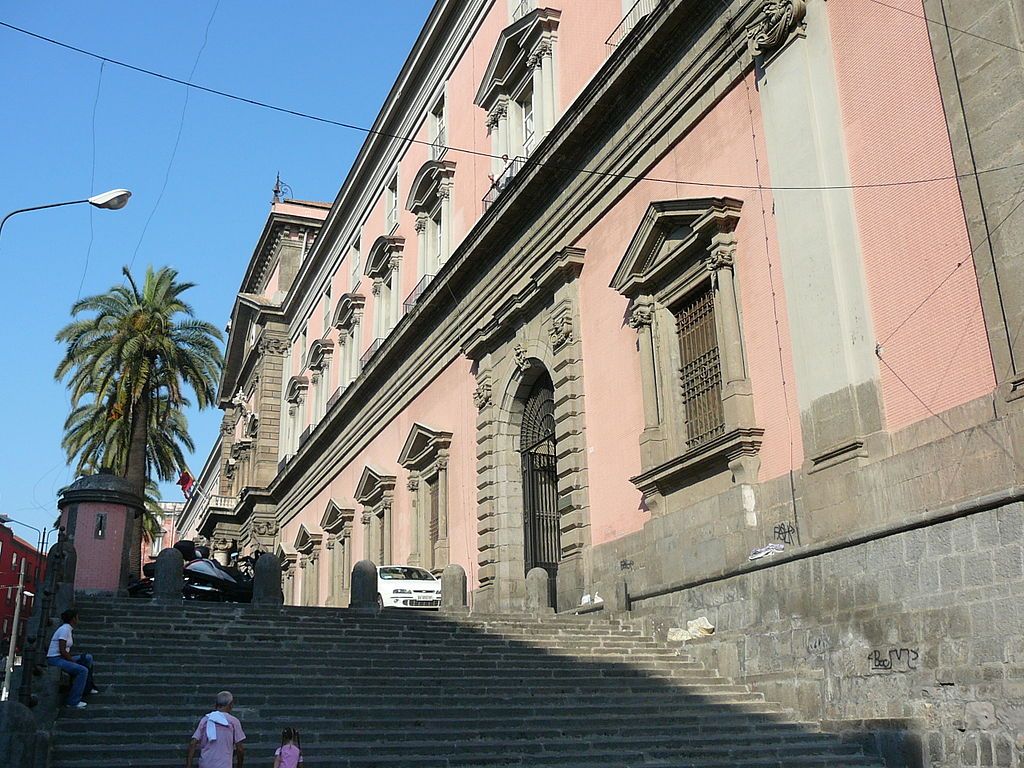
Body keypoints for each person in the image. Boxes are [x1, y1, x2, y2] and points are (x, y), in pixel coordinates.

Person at [45, 608, 99, 709]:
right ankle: (73, 701)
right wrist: (71, 660)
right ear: (73, 619)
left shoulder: (68, 629)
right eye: (77, 617)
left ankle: (88, 686)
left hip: (62, 657)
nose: (78, 619)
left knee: (88, 658)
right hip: (55, 658)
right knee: (82, 670)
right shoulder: (65, 630)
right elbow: (62, 649)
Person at [186, 691, 246, 768]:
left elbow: (193, 743)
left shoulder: (205, 720)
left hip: (205, 764)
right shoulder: (233, 722)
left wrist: (189, 765)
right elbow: (240, 749)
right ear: (230, 705)